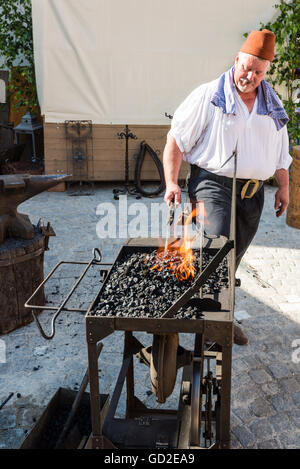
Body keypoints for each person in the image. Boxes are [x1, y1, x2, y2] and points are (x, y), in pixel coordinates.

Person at [163, 29, 292, 345]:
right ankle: (210, 327)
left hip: (253, 194)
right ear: (237, 60)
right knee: (216, 252)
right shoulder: (208, 96)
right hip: (212, 185)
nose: (250, 75)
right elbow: (175, 141)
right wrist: (171, 182)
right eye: (246, 67)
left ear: (266, 72)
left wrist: (285, 189)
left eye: (258, 71)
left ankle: (219, 316)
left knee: (231, 259)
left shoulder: (272, 106)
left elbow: (280, 156)